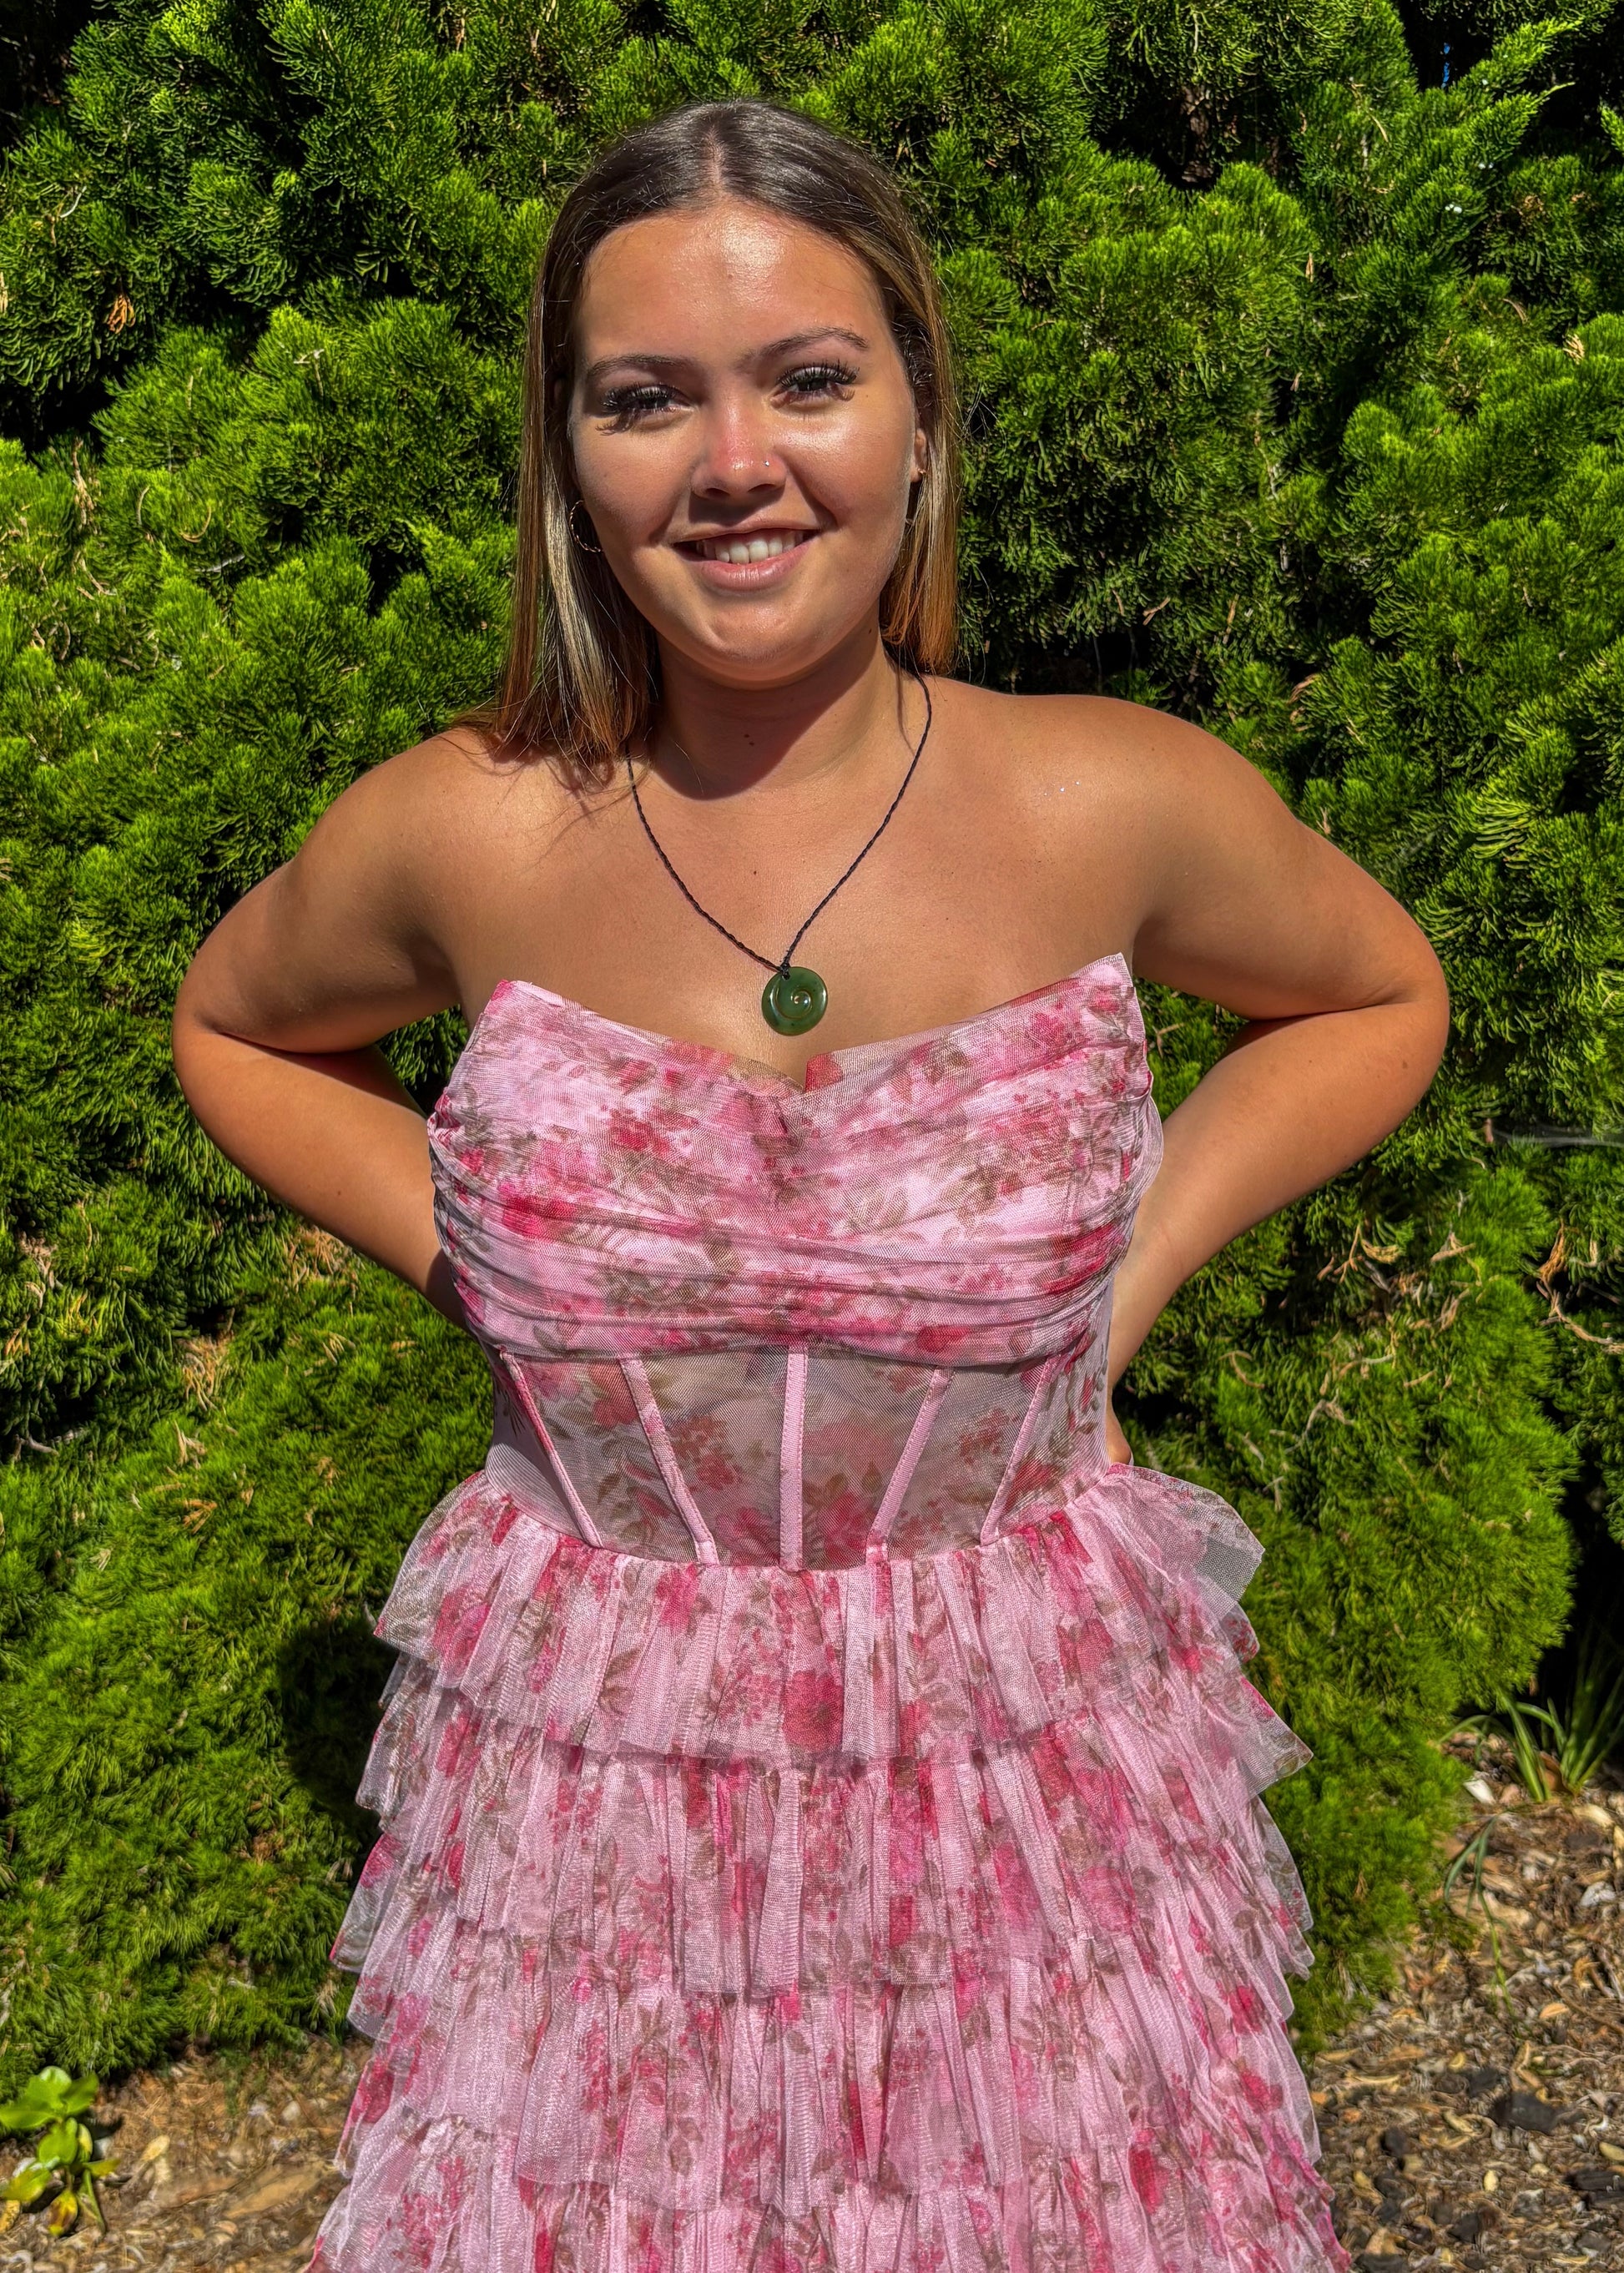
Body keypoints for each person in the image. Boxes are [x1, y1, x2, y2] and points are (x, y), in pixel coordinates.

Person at [172, 95, 1447, 2273]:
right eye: (645, 398)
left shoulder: (1108, 800)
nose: (733, 462)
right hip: (611, 1776)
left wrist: (1126, 1271)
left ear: (921, 422)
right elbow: (235, 1028)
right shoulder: (458, 833)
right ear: (569, 461)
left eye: (809, 380)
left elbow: (1376, 993)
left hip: (1009, 1759)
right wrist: (484, 1262)